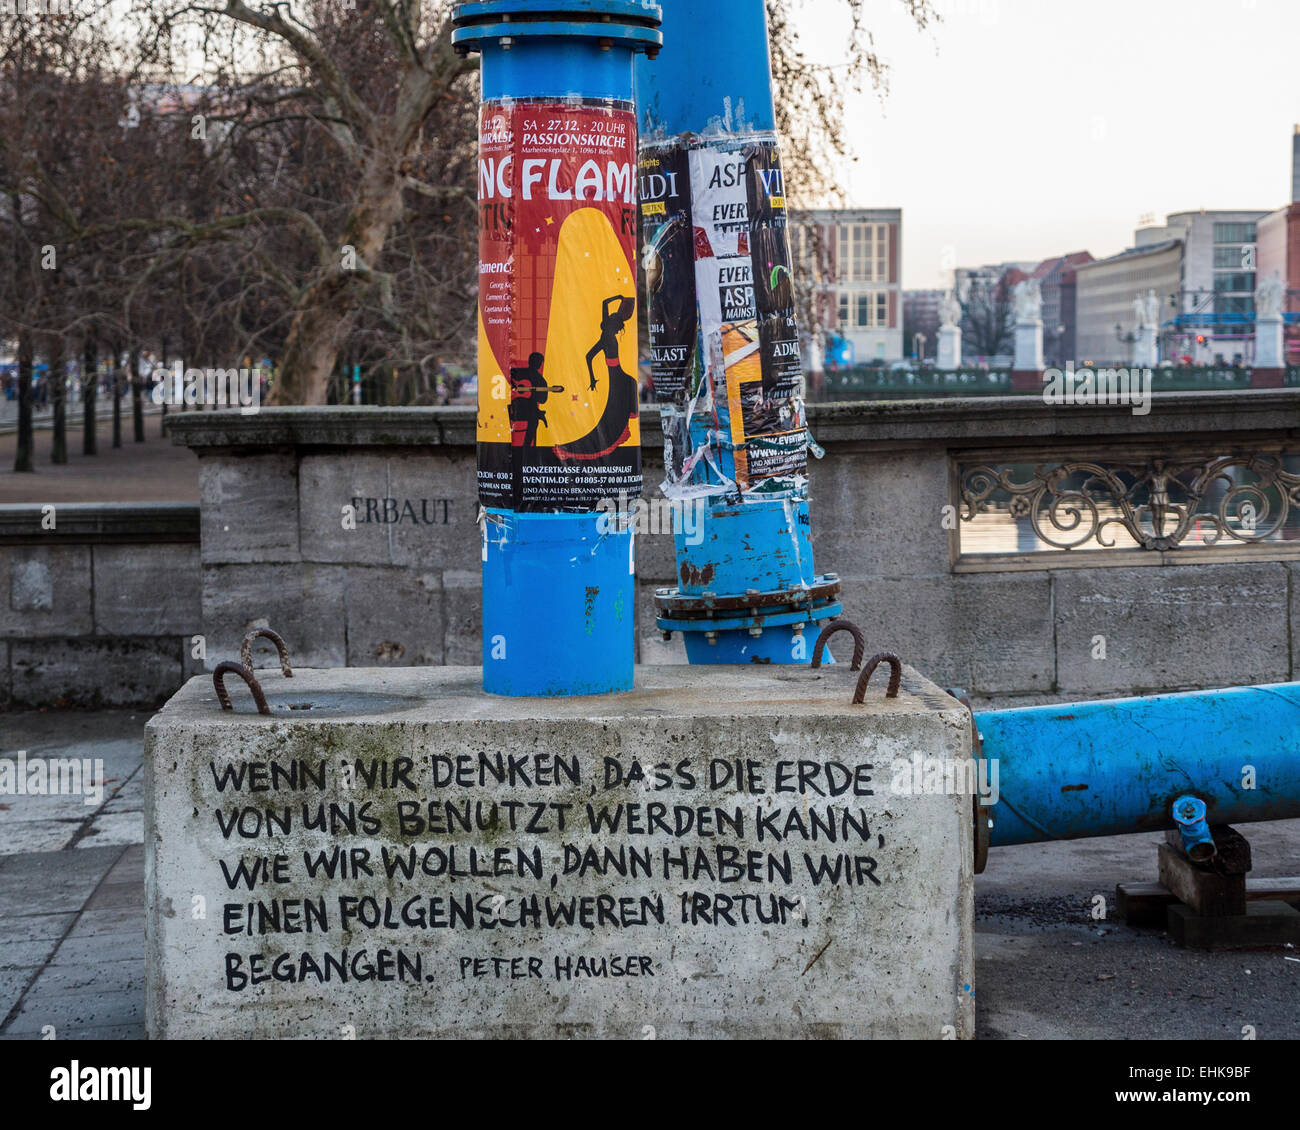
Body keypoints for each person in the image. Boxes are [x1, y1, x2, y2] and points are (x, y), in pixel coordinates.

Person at [556, 295, 637, 461]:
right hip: (615, 373)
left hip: (616, 372)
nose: (619, 327)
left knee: (630, 384)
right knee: (629, 385)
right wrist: (619, 297)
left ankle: (626, 417)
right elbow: (588, 356)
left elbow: (589, 356)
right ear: (613, 325)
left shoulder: (606, 335)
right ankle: (626, 417)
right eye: (618, 325)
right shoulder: (607, 335)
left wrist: (618, 298)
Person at [509, 352, 549, 448]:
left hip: (515, 411)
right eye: (538, 362)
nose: (538, 364)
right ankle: (526, 447)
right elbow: (543, 400)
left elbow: (543, 400)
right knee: (534, 421)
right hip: (528, 412)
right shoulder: (540, 380)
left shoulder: (517, 372)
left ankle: (523, 447)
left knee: (534, 417)